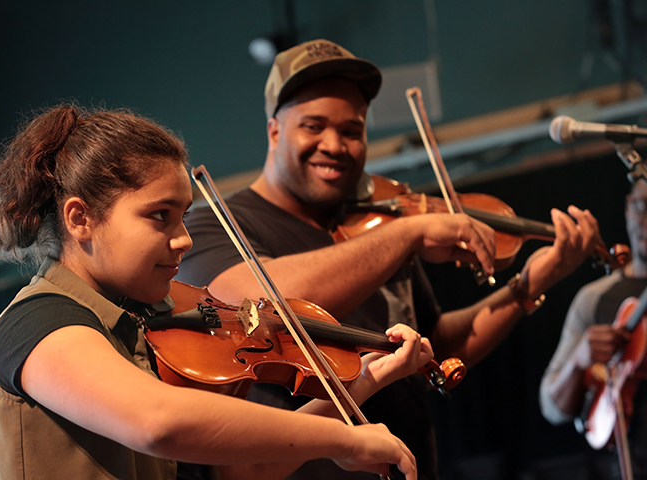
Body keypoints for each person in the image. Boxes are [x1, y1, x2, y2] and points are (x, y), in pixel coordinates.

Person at [176, 38, 602, 480]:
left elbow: (435, 344)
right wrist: (408, 233)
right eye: (314, 125)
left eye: (352, 130)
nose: (335, 145)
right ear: (275, 131)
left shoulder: (373, 225)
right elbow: (256, 303)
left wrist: (527, 285)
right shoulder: (217, 225)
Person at [0, 103, 437, 480]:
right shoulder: (40, 323)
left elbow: (242, 469)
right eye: (159, 216)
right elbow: (159, 422)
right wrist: (348, 440)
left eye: (184, 215)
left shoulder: (140, 330)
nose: (184, 239)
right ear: (80, 218)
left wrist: (364, 383)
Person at [540, 178, 647, 479]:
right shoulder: (595, 299)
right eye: (642, 207)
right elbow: (551, 406)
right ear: (627, 207)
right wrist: (579, 359)